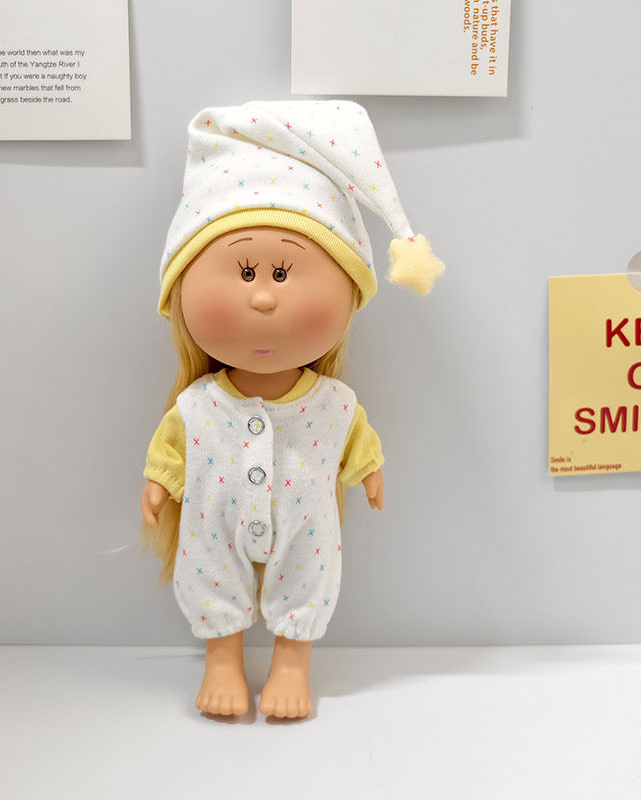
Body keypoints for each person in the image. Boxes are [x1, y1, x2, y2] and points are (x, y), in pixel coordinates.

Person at [141, 99, 444, 719]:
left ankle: (291, 662)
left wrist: (369, 471)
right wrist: (159, 483)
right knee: (207, 565)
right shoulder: (198, 406)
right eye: (245, 270)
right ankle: (221, 658)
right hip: (211, 521)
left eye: (282, 272)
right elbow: (172, 449)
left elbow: (356, 441)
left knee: (308, 570)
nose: (262, 298)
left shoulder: (335, 405)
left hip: (306, 524)